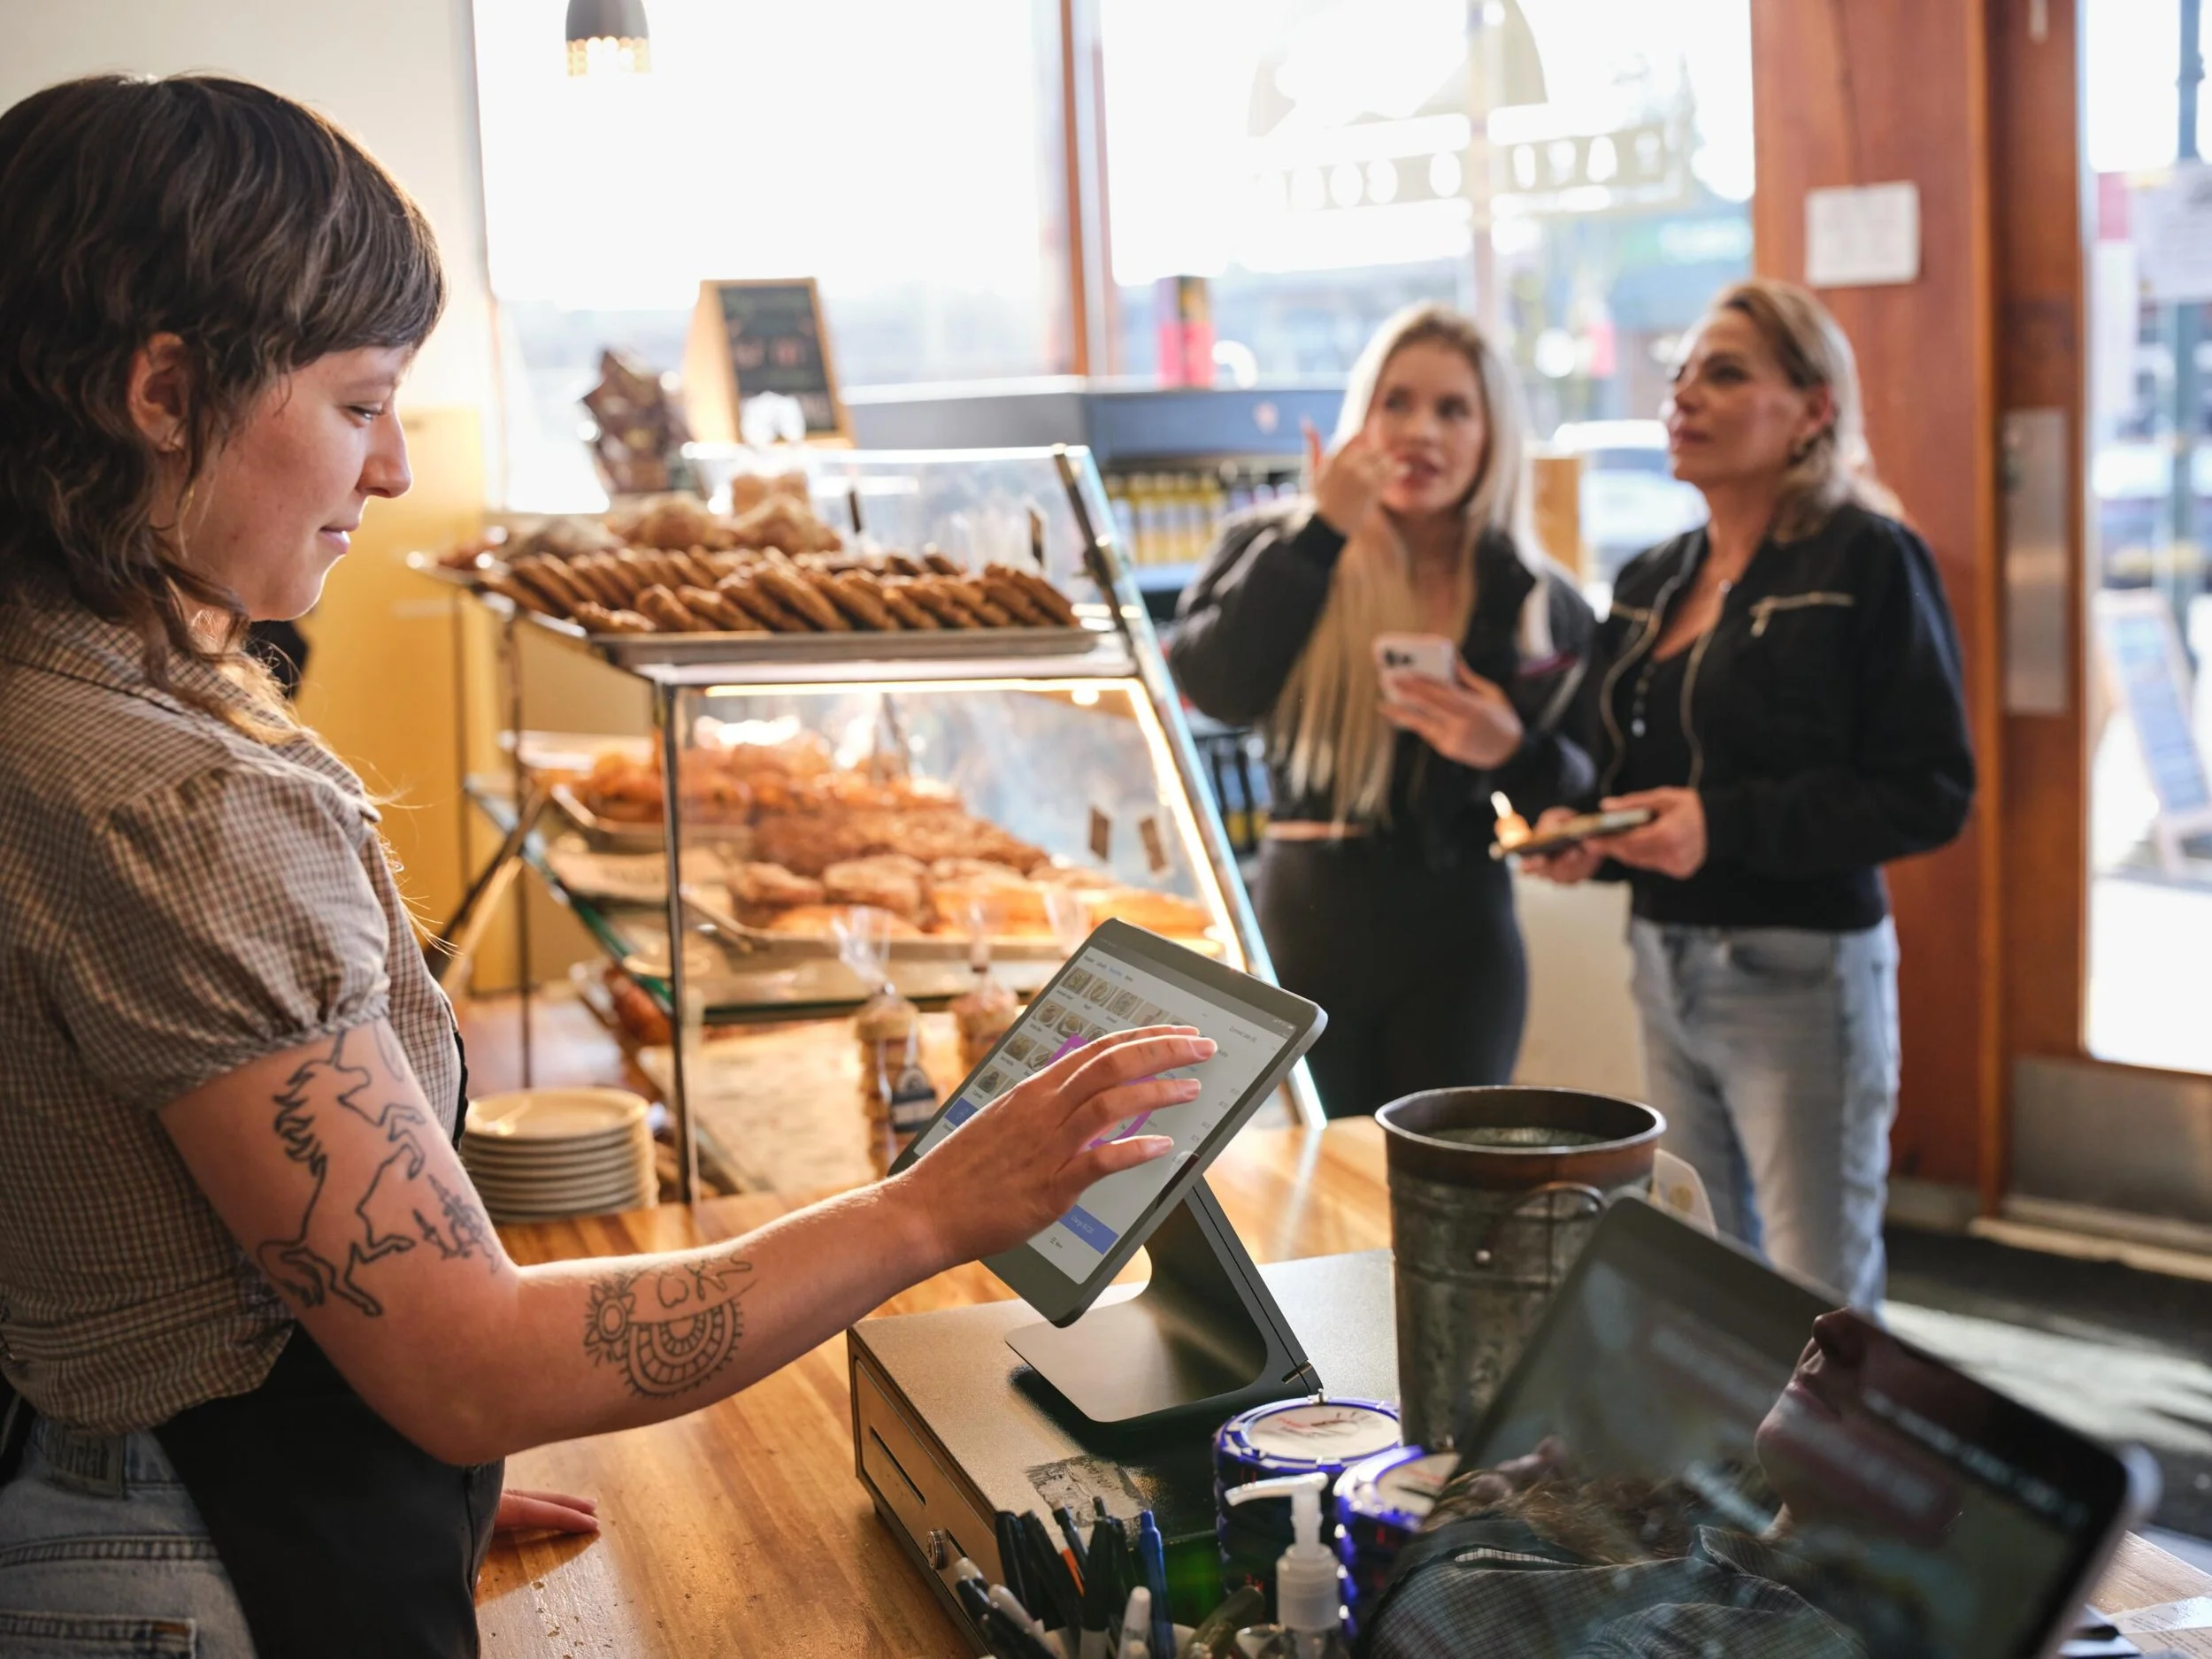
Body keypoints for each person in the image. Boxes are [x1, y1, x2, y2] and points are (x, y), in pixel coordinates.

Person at [0, 74, 1204, 1658]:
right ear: (163, 394)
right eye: (362, 407)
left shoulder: (55, 685)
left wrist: (400, 1456)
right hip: (197, 1564)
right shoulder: (179, 806)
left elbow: (176, 1251)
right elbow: (473, 1361)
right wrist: (932, 1212)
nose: (393, 474)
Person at [1522, 278, 1974, 1308]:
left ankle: (1825, 1476)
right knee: (1702, 1275)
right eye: (1681, 375)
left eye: (1725, 375)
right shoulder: (1647, 580)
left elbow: (1929, 790)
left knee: (1816, 1300)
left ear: (1814, 409)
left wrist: (1722, 827)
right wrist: (1578, 829)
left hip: (1799, 977)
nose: (1684, 396)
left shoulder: (1868, 558)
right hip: (1661, 959)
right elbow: (1612, 768)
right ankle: (1727, 1477)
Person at [1170, 305, 1596, 1118]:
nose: (1419, 432)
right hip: (1303, 925)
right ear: (1360, 418)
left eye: (1452, 409)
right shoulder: (1274, 545)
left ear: (1492, 435)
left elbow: (1579, 803)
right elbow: (1216, 685)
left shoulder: (1536, 599)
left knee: (1445, 1196)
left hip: (1460, 941)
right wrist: (1324, 532)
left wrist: (1507, 748)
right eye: (1396, 403)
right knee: (1317, 1200)